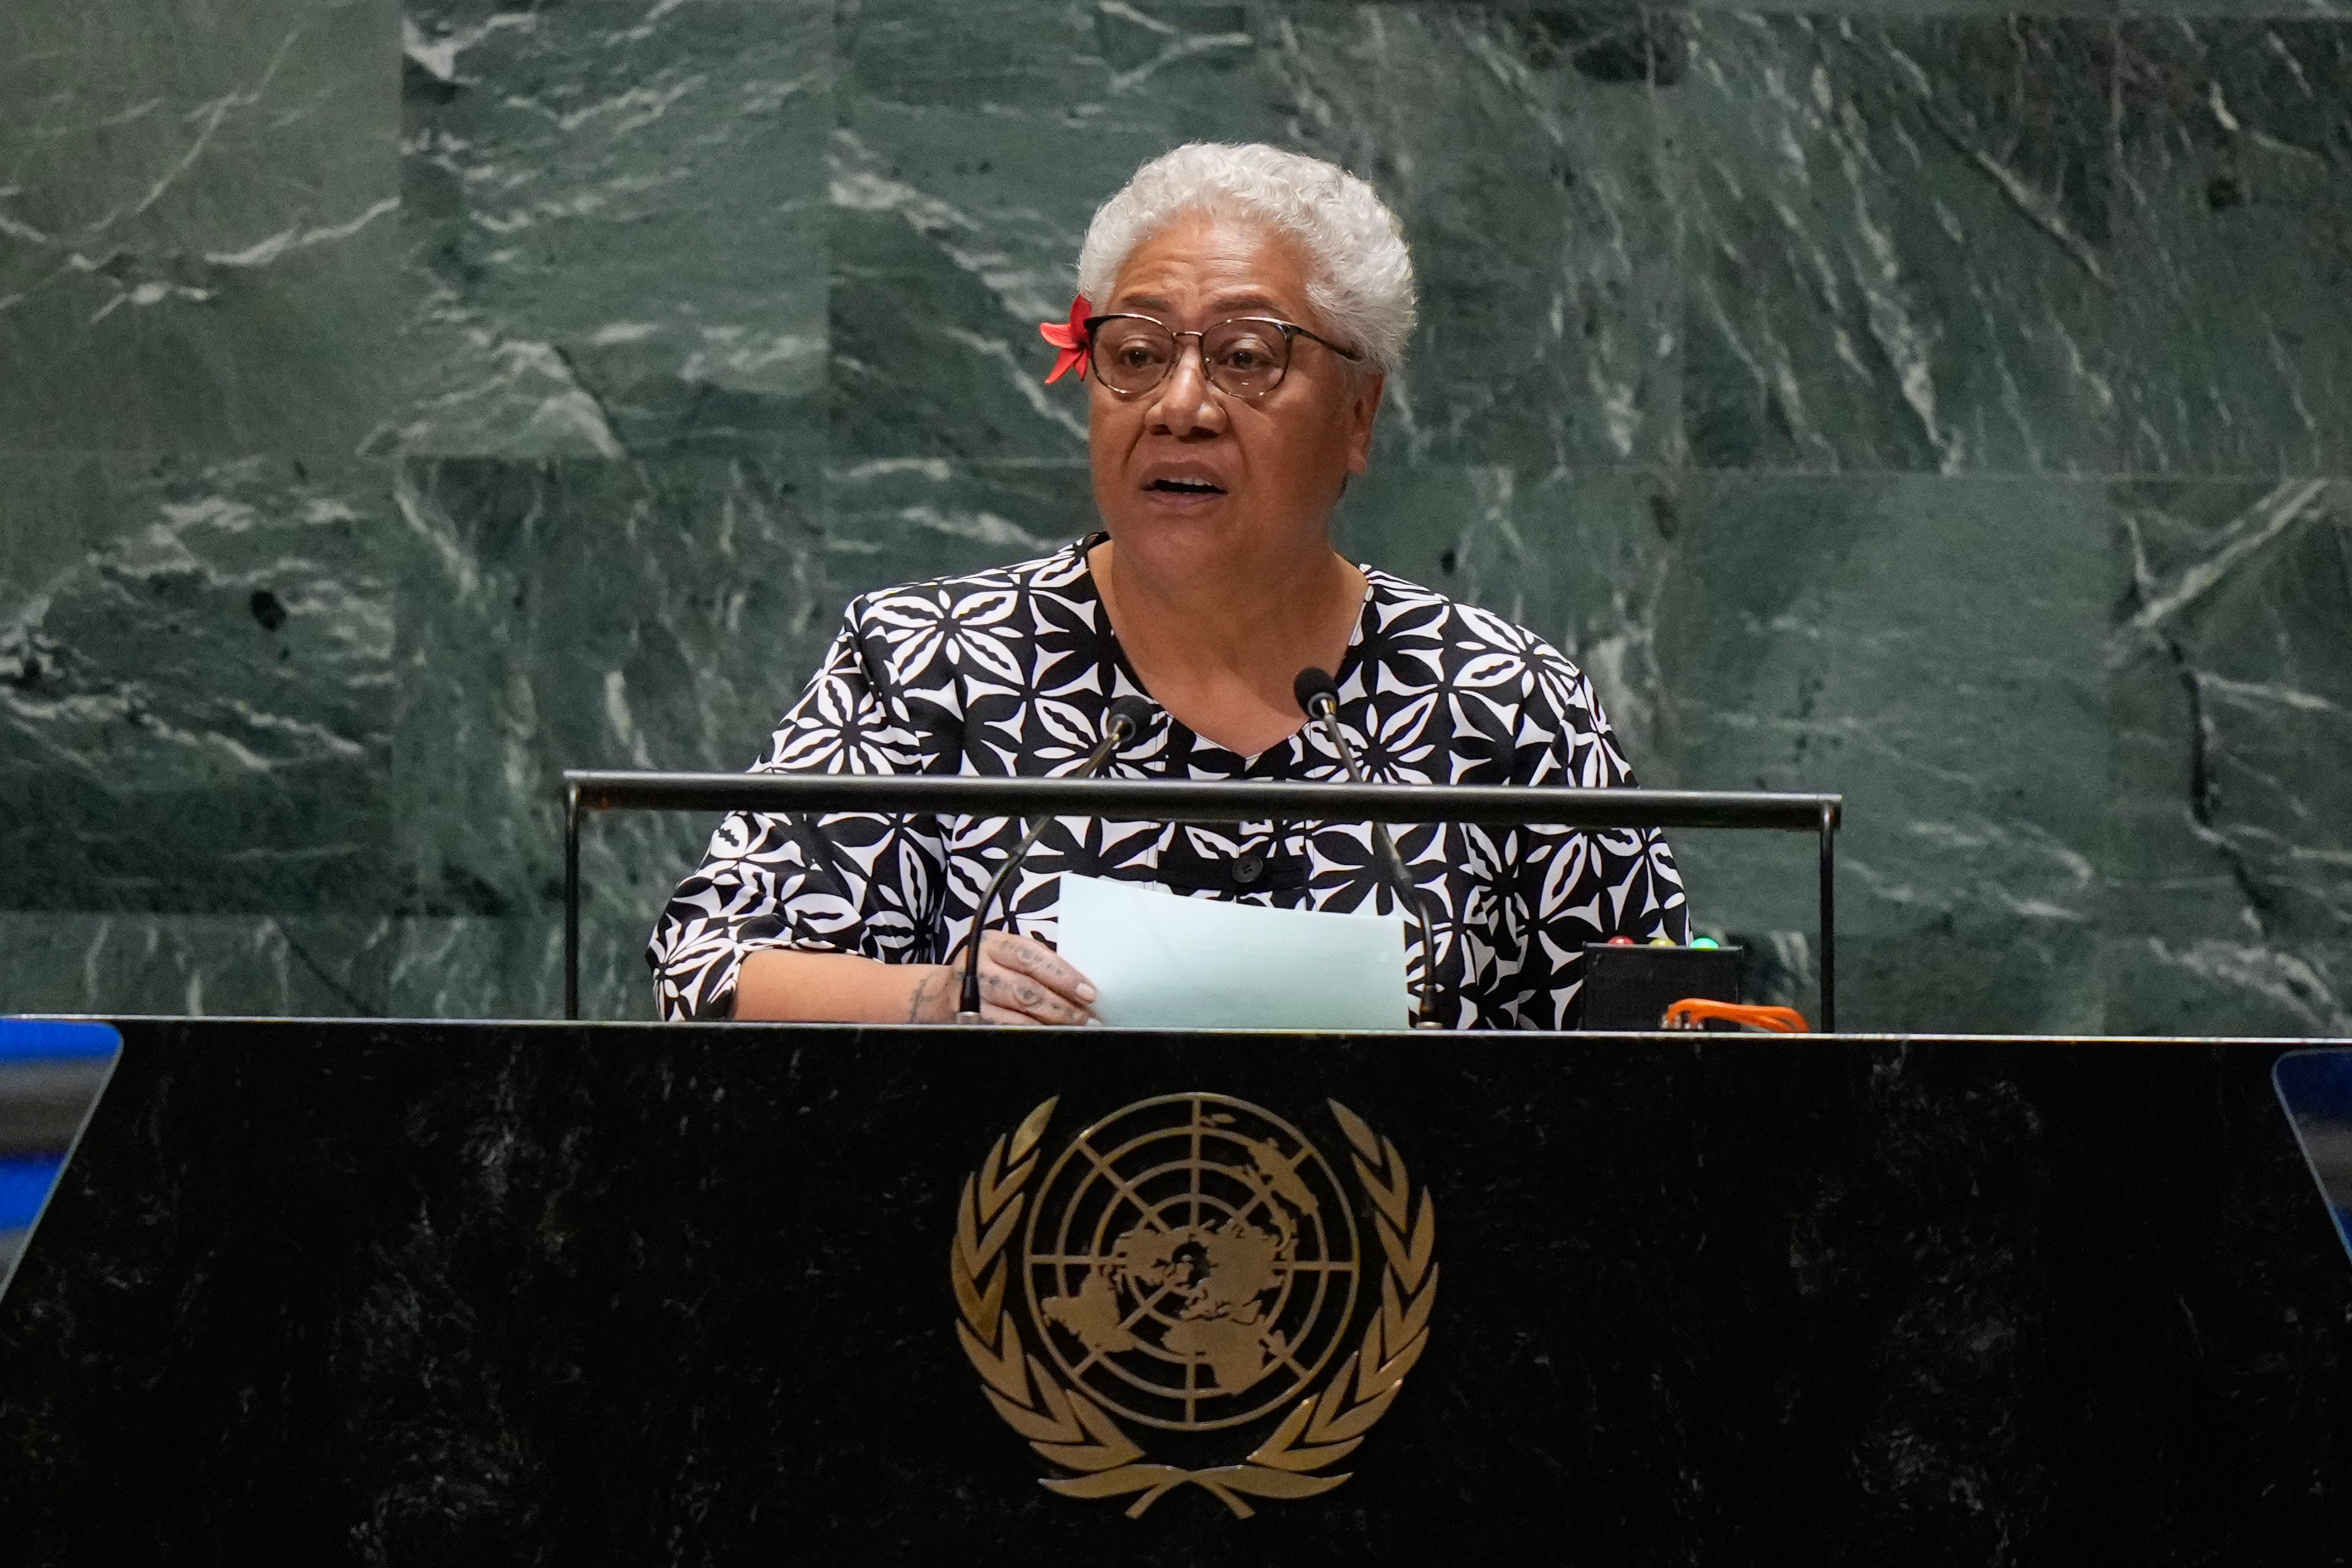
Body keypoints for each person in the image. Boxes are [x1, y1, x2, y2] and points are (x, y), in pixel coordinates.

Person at [649, 142, 1687, 1028]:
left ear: (1360, 418)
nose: (1179, 406)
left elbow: (1664, 1044)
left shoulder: (1505, 707)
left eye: (1246, 358)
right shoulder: (935, 666)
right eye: (1136, 354)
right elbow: (706, 969)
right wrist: (940, 998)